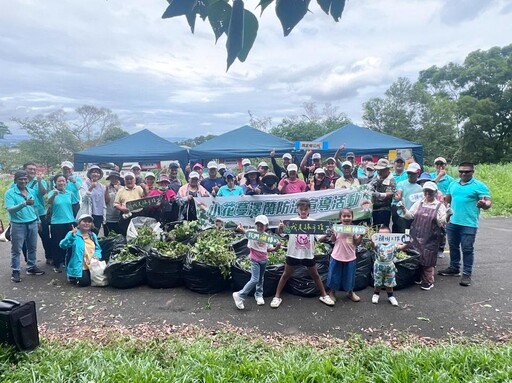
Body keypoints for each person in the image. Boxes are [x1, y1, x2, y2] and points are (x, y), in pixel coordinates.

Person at [270, 199, 335, 308]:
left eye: (306, 209)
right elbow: (281, 234)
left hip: (308, 254)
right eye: (301, 209)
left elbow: (319, 238)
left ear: (309, 210)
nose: (303, 211)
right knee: (286, 275)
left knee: (315, 275)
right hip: (293, 253)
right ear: (297, 210)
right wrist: (279, 228)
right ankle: (277, 297)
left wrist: (328, 233)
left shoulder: (313, 223)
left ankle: (324, 295)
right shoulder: (291, 221)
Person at [438, 162, 491, 287]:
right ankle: (454, 267)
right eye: (461, 171)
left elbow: (488, 202)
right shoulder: (453, 184)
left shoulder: (479, 186)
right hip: (453, 222)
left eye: (466, 171)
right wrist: (446, 208)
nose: (463, 173)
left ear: (472, 172)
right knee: (453, 246)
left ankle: (467, 273)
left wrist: (484, 204)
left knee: (467, 249)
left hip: (469, 223)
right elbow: (448, 198)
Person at [400, 181, 447, 290]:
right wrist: (403, 208)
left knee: (428, 260)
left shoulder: (439, 206)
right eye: (426, 191)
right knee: (416, 257)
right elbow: (409, 215)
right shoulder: (419, 203)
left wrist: (448, 216)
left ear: (435, 192)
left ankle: (428, 281)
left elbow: (442, 222)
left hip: (431, 237)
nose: (427, 193)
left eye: (430, 191)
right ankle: (418, 277)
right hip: (416, 235)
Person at [4, 170, 45, 282]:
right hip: (18, 224)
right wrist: (24, 204)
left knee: (32, 247)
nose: (23, 181)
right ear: (16, 180)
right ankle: (15, 271)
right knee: (16, 249)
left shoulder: (31, 191)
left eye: (25, 179)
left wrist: (38, 220)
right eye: (20, 179)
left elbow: (35, 207)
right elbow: (10, 209)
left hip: (32, 222)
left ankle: (31, 267)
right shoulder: (10, 193)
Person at [232, 215, 281, 309]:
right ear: (255, 226)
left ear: (266, 226)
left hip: (264, 260)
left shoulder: (267, 237)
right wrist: (241, 230)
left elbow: (269, 249)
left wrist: (277, 247)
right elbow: (246, 233)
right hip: (255, 260)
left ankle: (258, 295)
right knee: (254, 279)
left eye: (262, 225)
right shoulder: (253, 233)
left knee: (260, 278)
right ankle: (240, 295)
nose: (259, 227)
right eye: (258, 225)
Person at [327, 208, 363, 304]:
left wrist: (361, 236)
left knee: (349, 277)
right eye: (344, 216)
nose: (346, 218)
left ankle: (350, 292)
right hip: (337, 255)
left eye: (349, 216)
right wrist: (331, 233)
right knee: (334, 275)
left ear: (352, 217)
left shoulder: (354, 229)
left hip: (350, 256)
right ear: (340, 218)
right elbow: (333, 240)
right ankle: (332, 292)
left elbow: (356, 243)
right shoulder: (336, 228)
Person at [59, 214, 102, 287]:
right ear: (79, 223)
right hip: (79, 265)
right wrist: (71, 237)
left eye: (89, 222)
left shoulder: (92, 235)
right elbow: (63, 245)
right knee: (84, 282)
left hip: (92, 264)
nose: (87, 223)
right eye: (84, 221)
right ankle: (72, 276)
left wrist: (97, 256)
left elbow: (98, 249)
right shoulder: (72, 234)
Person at [21, 161, 50, 264]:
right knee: (25, 239)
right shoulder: (18, 182)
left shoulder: (40, 181)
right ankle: (29, 260)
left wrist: (39, 181)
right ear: (24, 169)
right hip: (25, 214)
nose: (33, 171)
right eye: (30, 169)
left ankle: (49, 257)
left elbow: (43, 193)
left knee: (45, 236)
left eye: (34, 169)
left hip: (41, 213)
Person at [47, 174, 76, 273]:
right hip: (57, 222)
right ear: (55, 183)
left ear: (66, 182)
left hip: (70, 221)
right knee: (57, 243)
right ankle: (57, 263)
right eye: (59, 181)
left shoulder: (70, 193)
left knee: (69, 242)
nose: (61, 183)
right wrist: (54, 195)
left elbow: (74, 206)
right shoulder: (52, 192)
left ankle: (66, 261)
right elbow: (48, 202)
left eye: (63, 181)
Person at [371, 226, 407, 306]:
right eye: (381, 235)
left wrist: (407, 242)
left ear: (390, 235)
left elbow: (401, 248)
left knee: (390, 282)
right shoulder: (378, 244)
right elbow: (372, 246)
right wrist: (372, 240)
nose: (383, 237)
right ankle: (376, 294)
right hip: (378, 266)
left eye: (386, 234)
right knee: (377, 282)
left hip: (389, 266)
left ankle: (391, 296)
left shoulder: (393, 244)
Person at [392, 162, 422, 233]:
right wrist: (398, 197)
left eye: (413, 173)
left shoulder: (420, 188)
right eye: (409, 173)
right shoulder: (401, 184)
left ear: (418, 173)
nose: (410, 175)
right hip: (402, 216)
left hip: (414, 217)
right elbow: (399, 192)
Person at [114, 172, 145, 236]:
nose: (129, 181)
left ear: (135, 180)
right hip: (126, 215)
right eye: (127, 179)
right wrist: (122, 208)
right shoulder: (121, 190)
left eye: (131, 179)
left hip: (139, 214)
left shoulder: (139, 188)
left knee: (139, 234)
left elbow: (145, 198)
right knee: (126, 233)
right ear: (124, 181)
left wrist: (145, 189)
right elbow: (115, 203)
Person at [369, 158, 397, 227]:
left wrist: (379, 195)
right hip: (373, 209)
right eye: (379, 170)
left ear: (387, 170)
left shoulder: (391, 180)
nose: (380, 172)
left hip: (384, 209)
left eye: (382, 170)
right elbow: (369, 186)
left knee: (383, 229)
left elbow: (390, 194)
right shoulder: (376, 178)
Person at [85, 165, 106, 235]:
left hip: (99, 214)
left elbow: (104, 201)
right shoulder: (85, 184)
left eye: (97, 172)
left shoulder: (102, 187)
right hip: (89, 213)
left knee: (94, 235)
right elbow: (83, 198)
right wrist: (90, 188)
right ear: (90, 174)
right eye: (93, 172)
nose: (95, 174)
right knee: (87, 235)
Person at [103, 171, 122, 237]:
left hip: (119, 217)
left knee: (119, 237)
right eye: (112, 178)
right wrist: (107, 190)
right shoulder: (106, 188)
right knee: (108, 236)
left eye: (115, 178)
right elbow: (106, 201)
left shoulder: (122, 188)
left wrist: (118, 190)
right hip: (109, 217)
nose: (114, 179)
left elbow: (122, 201)